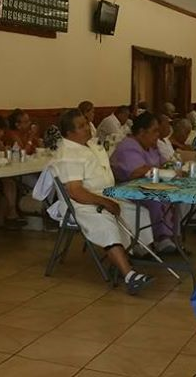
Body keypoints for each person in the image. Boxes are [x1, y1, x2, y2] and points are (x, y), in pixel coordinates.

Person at [52, 109, 156, 294]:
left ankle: (128, 255)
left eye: (86, 123)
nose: (87, 128)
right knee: (106, 223)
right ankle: (129, 275)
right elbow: (76, 192)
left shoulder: (89, 144)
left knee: (138, 212)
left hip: (105, 195)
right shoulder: (68, 154)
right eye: (81, 126)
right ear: (69, 133)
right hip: (83, 204)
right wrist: (106, 203)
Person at [110, 113, 181, 254]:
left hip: (148, 186)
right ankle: (159, 238)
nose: (158, 134)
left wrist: (171, 168)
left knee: (175, 196)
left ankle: (170, 236)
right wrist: (161, 170)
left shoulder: (151, 146)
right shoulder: (128, 146)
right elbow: (136, 171)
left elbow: (163, 164)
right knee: (156, 200)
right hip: (127, 191)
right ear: (141, 132)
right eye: (154, 131)